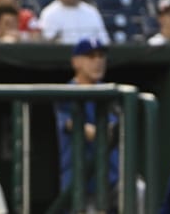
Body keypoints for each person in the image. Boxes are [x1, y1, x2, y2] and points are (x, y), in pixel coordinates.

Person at [54, 38, 119, 213]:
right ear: (76, 62)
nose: (98, 61)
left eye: (101, 56)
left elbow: (115, 131)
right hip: (81, 182)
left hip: (111, 179)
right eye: (90, 56)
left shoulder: (110, 91)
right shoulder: (66, 93)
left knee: (138, 188)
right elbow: (74, 126)